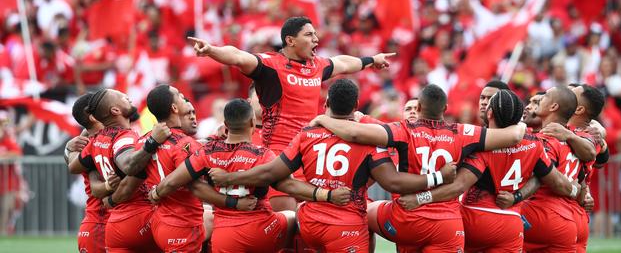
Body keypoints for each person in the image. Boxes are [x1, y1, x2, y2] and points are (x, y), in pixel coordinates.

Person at [208, 80, 455, 252]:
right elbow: (391, 181)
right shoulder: (371, 138)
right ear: (357, 105)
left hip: (308, 224)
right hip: (346, 226)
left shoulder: (307, 133)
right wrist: (435, 178)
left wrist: (228, 178)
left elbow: (274, 175)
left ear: (326, 103)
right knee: (368, 214)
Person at [188, 16, 394, 211]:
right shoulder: (271, 66)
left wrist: (372, 60)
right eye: (309, 35)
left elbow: (343, 63)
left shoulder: (317, 66)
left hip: (308, 155)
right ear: (290, 40)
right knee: (287, 219)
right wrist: (211, 50)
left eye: (315, 34)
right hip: (279, 157)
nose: (316, 39)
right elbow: (238, 56)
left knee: (316, 222)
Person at [309, 83, 526, 251]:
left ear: (420, 107)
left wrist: (322, 119)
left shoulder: (403, 130)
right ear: (446, 109)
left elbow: (354, 133)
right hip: (448, 226)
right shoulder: (463, 132)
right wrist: (523, 122)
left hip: (406, 219)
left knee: (361, 212)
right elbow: (515, 135)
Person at [151, 98, 354, 252]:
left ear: (226, 124)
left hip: (225, 237)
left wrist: (155, 194)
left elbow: (172, 181)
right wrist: (326, 195)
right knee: (295, 218)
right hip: (262, 231)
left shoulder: (206, 151)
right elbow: (289, 186)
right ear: (251, 122)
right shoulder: (264, 154)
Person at [397, 90, 579, 252]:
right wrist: (577, 191)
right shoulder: (534, 143)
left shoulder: (481, 147)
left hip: (475, 219)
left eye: (487, 101)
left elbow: (458, 186)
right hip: (512, 224)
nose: (483, 104)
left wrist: (419, 198)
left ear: (490, 113)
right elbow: (551, 179)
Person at [67, 89, 171, 252]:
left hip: (110, 222)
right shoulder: (123, 137)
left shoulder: (94, 142)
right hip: (122, 218)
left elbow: (75, 168)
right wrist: (152, 143)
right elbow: (127, 166)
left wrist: (68, 149)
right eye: (122, 97)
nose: (128, 98)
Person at [136, 85, 206, 252]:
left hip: (160, 220)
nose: (184, 98)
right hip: (183, 222)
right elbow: (196, 186)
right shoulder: (186, 144)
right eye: (180, 96)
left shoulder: (143, 141)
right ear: (174, 108)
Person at [517, 86, 587, 252]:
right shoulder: (575, 140)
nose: (540, 99)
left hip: (542, 215)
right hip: (571, 218)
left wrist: (515, 198)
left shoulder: (546, 139)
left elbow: (543, 176)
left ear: (554, 107)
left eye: (545, 96)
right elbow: (582, 179)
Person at [64, 93, 120, 252]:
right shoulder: (96, 144)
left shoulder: (100, 139)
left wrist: (68, 149)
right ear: (95, 116)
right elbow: (94, 186)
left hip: (111, 223)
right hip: (100, 224)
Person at [0, 111, 23, 236]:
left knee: (6, 210)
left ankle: (3, 234)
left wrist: (3, 157)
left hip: (7, 184)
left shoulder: (8, 139)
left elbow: (17, 153)